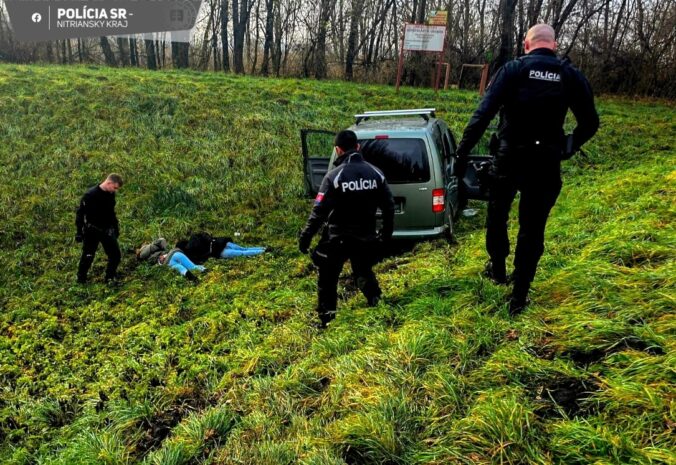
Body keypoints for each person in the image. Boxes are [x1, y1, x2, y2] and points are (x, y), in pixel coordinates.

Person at [455, 24, 599, 315]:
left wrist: (462, 152)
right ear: (554, 45)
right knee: (532, 228)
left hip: (509, 156)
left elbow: (483, 114)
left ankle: (497, 268)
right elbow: (590, 122)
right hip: (545, 159)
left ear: (526, 44)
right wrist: (568, 145)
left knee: (497, 214)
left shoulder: (513, 70)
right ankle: (519, 294)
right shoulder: (569, 75)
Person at [298, 130, 395, 328]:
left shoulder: (333, 177)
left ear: (337, 150)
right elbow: (389, 207)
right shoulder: (375, 173)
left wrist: (306, 238)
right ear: (357, 147)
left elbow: (319, 212)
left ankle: (327, 319)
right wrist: (385, 235)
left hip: (338, 237)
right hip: (366, 235)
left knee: (327, 278)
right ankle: (377, 303)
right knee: (363, 271)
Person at [75, 173, 124, 284]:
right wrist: (79, 231)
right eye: (115, 187)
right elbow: (80, 214)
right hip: (92, 230)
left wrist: (116, 227)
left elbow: (112, 212)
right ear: (109, 182)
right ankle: (81, 280)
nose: (115, 190)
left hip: (107, 230)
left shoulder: (111, 194)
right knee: (88, 256)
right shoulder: (90, 195)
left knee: (115, 255)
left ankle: (110, 278)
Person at [137, 238, 205, 282]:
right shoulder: (153, 245)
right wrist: (166, 251)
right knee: (193, 266)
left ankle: (194, 280)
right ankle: (205, 270)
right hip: (175, 252)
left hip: (168, 262)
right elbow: (162, 239)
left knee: (181, 269)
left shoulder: (146, 258)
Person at [175, 232, 266, 264]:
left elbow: (199, 261)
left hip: (219, 252)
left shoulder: (191, 254)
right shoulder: (194, 237)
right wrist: (211, 239)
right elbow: (205, 235)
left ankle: (264, 251)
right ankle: (264, 248)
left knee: (243, 253)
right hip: (221, 242)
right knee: (244, 249)